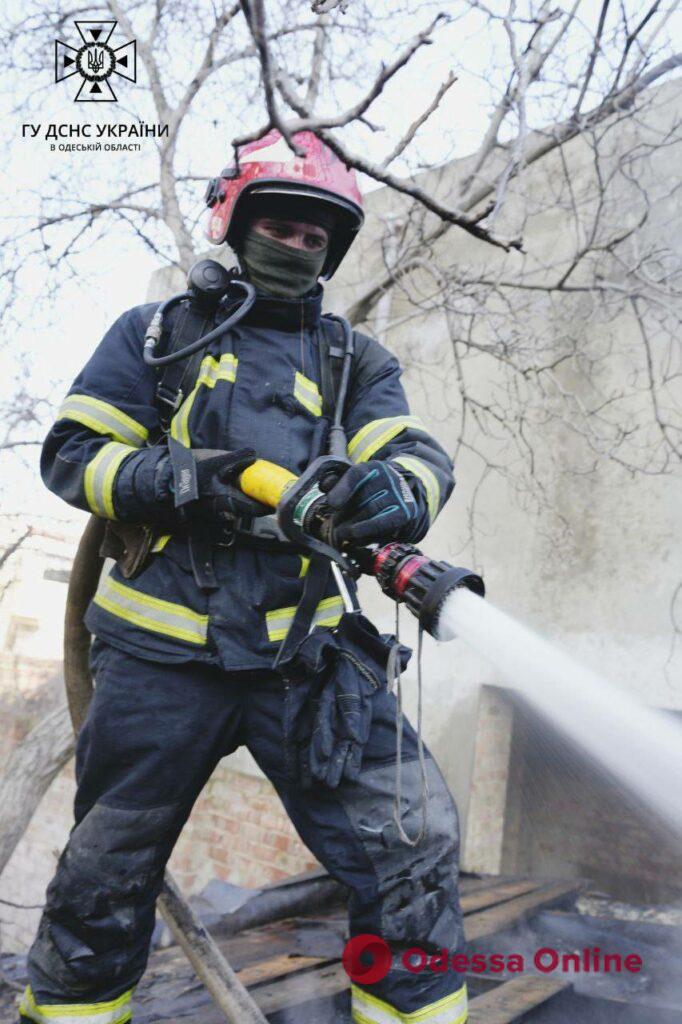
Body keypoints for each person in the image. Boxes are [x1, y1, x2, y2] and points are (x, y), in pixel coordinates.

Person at [20, 130, 468, 1024]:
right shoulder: (159, 336)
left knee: (415, 842)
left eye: (317, 235)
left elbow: (411, 452)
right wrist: (182, 480)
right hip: (157, 657)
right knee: (105, 874)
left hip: (304, 655)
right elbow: (73, 454)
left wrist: (396, 494)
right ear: (238, 220)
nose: (298, 245)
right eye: (283, 224)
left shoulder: (353, 360)